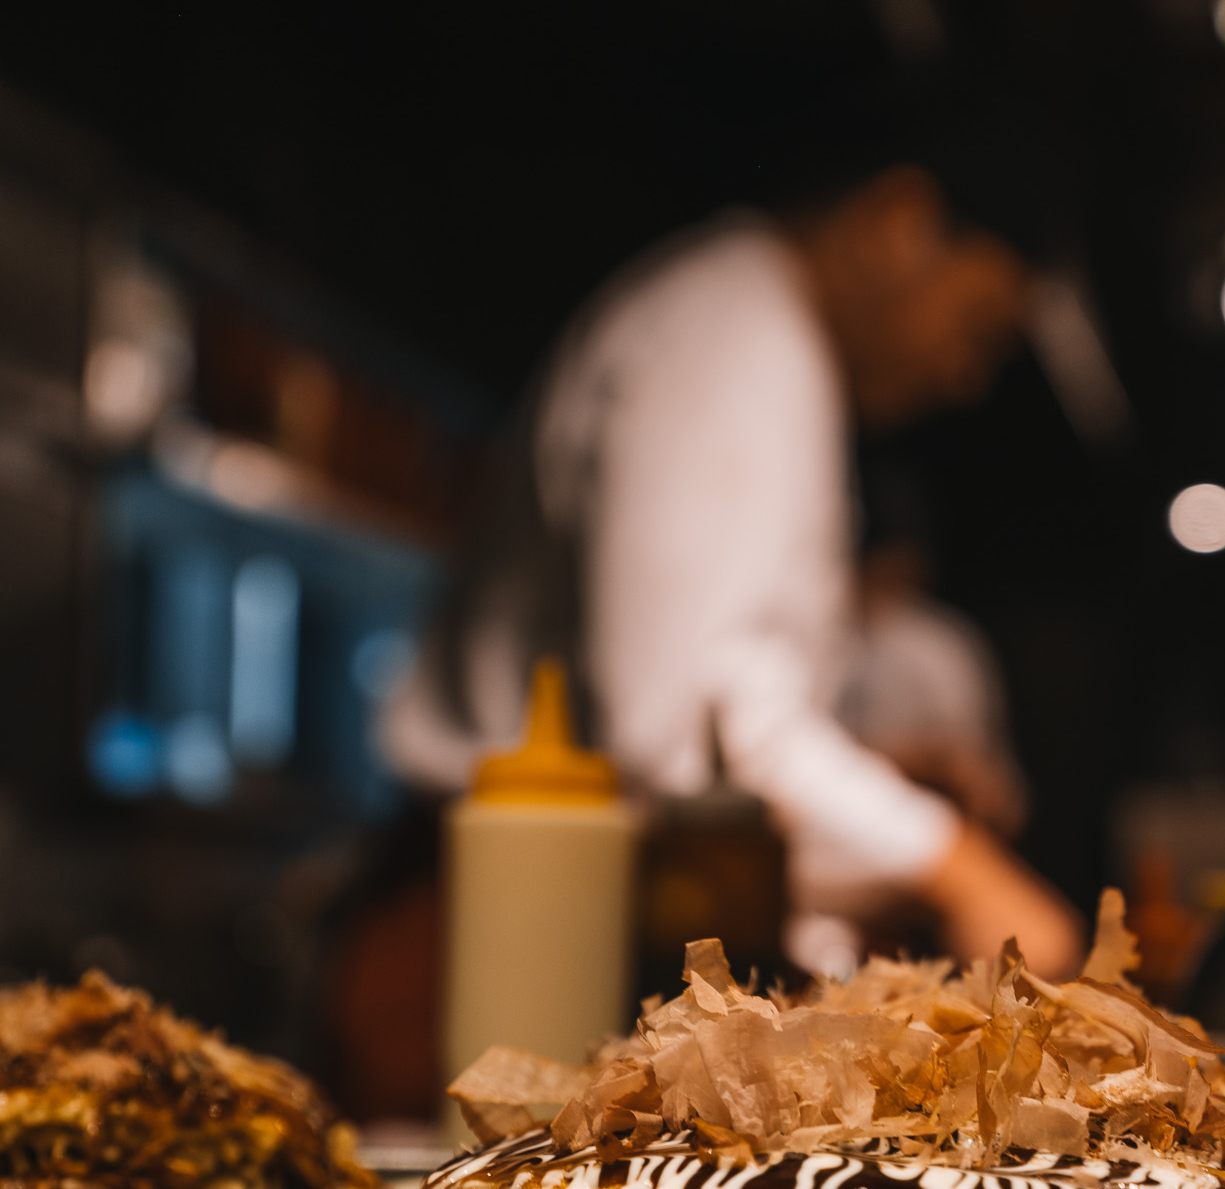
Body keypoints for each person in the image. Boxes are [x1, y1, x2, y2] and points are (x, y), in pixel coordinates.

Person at [381, 166, 1082, 977]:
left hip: (548, 905)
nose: (964, 375)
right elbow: (684, 729)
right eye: (980, 326)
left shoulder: (761, 335)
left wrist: (885, 768)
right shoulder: (734, 345)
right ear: (899, 218)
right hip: (510, 935)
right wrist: (960, 871)